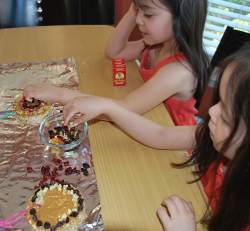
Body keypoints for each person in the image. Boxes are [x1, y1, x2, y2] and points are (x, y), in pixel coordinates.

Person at [57, 45, 250, 230]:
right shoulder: (209, 136)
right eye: (220, 102)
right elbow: (160, 135)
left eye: (226, 116)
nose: (213, 111)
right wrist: (108, 108)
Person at [24, 0, 209, 126]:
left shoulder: (178, 71)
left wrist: (59, 94)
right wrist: (132, 11)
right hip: (151, 120)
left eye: (149, 15)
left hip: (172, 145)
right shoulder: (154, 46)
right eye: (138, 11)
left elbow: (125, 110)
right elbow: (114, 52)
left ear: (182, 18)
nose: (138, 20)